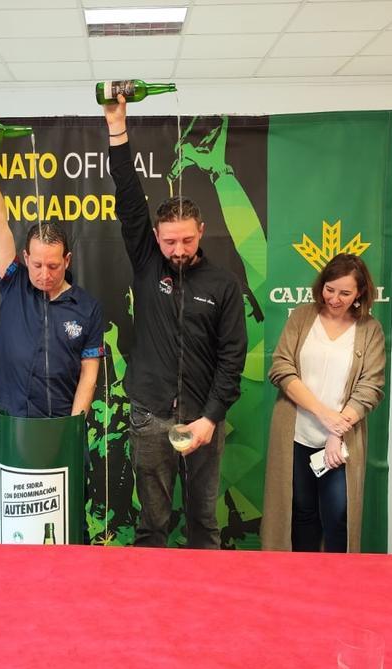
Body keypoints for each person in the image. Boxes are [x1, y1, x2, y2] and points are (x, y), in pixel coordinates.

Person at [104, 96, 247, 549]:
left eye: (186, 239)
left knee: (205, 521)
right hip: (151, 418)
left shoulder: (223, 285)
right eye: (169, 241)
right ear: (156, 238)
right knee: (152, 524)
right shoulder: (148, 263)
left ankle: (205, 610)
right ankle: (150, 611)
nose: (178, 250)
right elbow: (129, 199)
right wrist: (117, 126)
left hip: (205, 420)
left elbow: (232, 359)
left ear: (201, 231)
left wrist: (211, 418)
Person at [0, 122, 104, 419]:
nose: (44, 274)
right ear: (25, 257)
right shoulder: (14, 282)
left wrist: (73, 428)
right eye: (36, 265)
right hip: (12, 418)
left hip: (62, 418)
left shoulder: (88, 308)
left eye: (53, 266)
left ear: (68, 260)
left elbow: (89, 376)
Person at [260, 254, 385, 553]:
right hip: (296, 434)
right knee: (301, 514)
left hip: (341, 441)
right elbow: (280, 368)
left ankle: (339, 584)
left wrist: (337, 429)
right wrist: (323, 414)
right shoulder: (302, 317)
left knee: (339, 515)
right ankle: (302, 582)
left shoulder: (370, 329)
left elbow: (371, 387)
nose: (335, 298)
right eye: (330, 289)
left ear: (360, 293)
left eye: (345, 293)